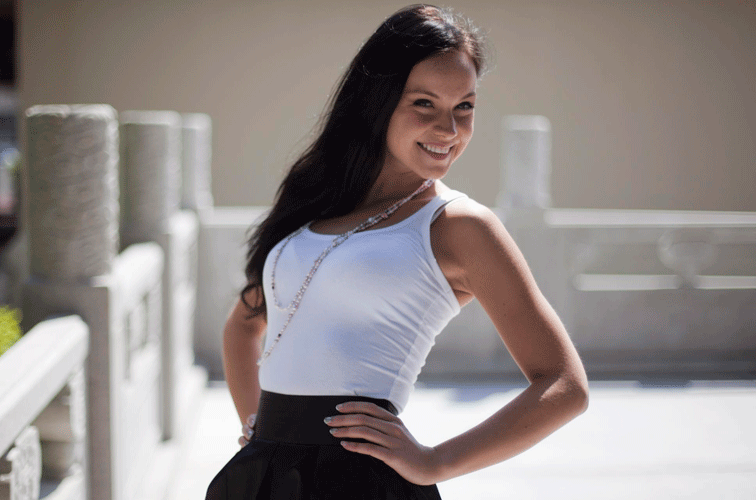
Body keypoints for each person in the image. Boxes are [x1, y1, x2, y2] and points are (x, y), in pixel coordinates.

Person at [206, 4, 588, 499]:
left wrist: (436, 461)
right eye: (424, 104)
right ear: (377, 101)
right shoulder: (319, 197)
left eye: (464, 107)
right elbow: (245, 322)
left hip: (359, 484)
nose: (448, 130)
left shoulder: (459, 226)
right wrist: (259, 429)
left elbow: (563, 385)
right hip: (263, 478)